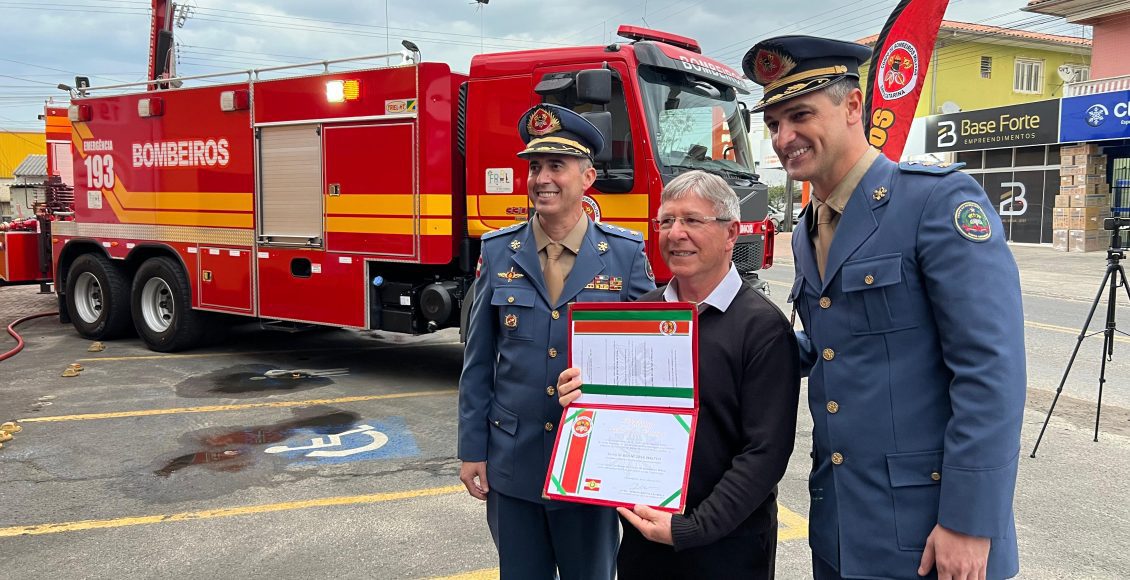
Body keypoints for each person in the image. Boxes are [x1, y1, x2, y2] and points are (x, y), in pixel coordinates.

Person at [746, 35, 1027, 580]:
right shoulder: (811, 227)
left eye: (800, 114)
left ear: (853, 106)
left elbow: (991, 372)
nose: (784, 137)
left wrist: (970, 523)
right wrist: (703, 343)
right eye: (774, 123)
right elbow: (833, 345)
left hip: (932, 532)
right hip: (842, 528)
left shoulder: (934, 201)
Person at [557, 170, 801, 579]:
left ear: (731, 234)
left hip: (727, 550)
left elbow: (765, 453)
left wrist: (692, 528)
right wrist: (582, 399)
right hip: (644, 540)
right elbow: (618, 419)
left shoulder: (762, 327)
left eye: (692, 220)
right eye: (666, 221)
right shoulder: (642, 315)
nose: (675, 233)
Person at [457, 103, 655, 580]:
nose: (542, 178)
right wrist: (472, 450)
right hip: (513, 462)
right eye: (535, 166)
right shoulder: (499, 249)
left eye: (556, 166)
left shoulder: (624, 257)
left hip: (591, 463)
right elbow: (479, 362)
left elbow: (649, 361)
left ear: (587, 178)